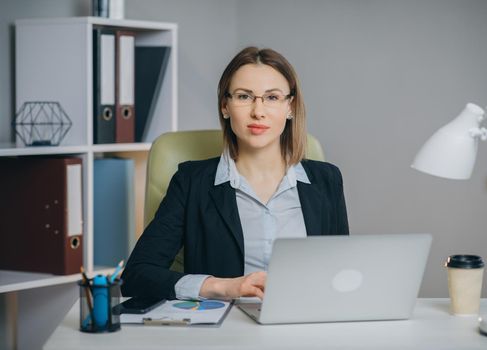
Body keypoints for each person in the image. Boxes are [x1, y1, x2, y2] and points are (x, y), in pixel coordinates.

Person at [121, 47, 349, 301]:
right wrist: (222, 287)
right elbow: (137, 276)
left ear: (290, 107)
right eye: (244, 96)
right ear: (225, 106)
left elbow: (340, 272)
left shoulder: (327, 180)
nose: (258, 111)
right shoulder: (191, 182)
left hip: (306, 325)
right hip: (227, 329)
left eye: (272, 97)